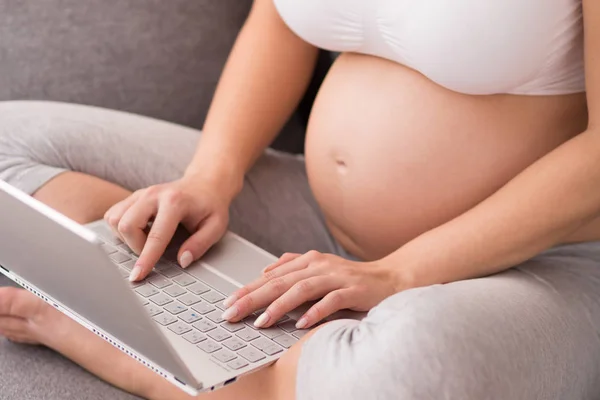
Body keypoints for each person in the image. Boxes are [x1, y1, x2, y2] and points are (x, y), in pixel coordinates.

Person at [1, 0, 600, 398]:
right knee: (7, 139)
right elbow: (280, 17)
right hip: (312, 217)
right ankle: (238, 344)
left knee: (416, 364)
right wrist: (211, 175)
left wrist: (396, 273)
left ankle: (180, 369)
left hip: (528, 264)